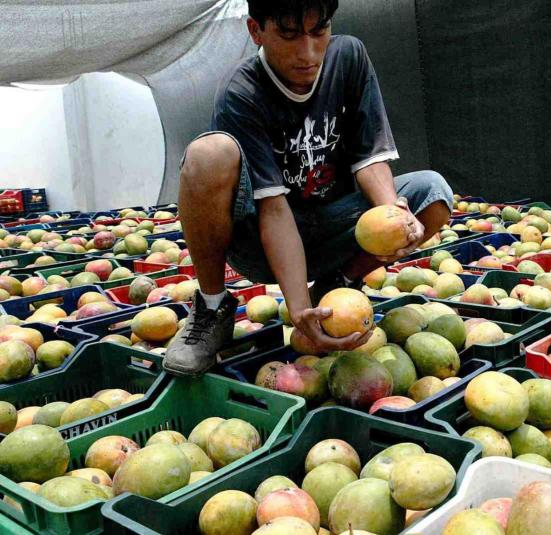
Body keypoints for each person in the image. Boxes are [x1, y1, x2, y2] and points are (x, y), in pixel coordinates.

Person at [164, 0, 453, 376]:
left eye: (319, 32)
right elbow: (274, 209)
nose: (308, 52)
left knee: (432, 193)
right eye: (288, 35)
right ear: (256, 31)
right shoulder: (243, 93)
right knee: (208, 154)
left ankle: (339, 283)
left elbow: (370, 159)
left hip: (335, 227)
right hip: (265, 243)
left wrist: (393, 216)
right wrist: (298, 310)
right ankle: (212, 307)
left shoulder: (349, 58)